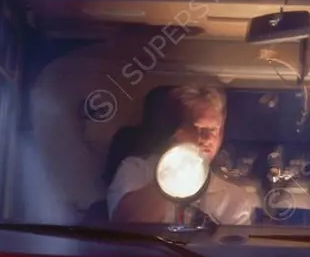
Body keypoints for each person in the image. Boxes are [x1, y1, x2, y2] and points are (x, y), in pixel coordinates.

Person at [107, 84, 259, 225]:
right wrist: (169, 179)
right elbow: (126, 227)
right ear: (175, 132)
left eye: (213, 130)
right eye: (197, 128)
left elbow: (234, 253)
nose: (207, 139)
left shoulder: (234, 200)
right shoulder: (136, 171)